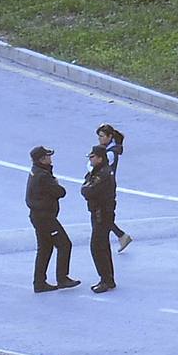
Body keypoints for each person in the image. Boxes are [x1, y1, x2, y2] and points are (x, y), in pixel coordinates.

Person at [27, 146, 79, 293]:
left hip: (39, 217)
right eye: (48, 156)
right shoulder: (43, 176)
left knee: (44, 248)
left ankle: (39, 282)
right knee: (64, 244)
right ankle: (62, 278)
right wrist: (56, 184)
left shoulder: (36, 172)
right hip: (46, 218)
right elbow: (60, 192)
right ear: (42, 159)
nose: (50, 158)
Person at [83, 145, 118, 293]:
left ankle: (105, 279)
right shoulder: (101, 171)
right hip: (102, 213)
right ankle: (108, 279)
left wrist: (86, 186)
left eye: (92, 157)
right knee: (103, 246)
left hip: (101, 214)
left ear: (99, 158)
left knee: (97, 247)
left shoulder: (102, 174)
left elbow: (87, 190)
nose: (90, 160)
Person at [96, 124, 132, 252]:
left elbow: (97, 167)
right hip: (105, 187)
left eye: (101, 136)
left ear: (110, 137)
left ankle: (120, 236)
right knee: (103, 215)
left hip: (106, 188)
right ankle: (121, 235)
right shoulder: (108, 151)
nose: (99, 139)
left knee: (103, 215)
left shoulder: (110, 154)